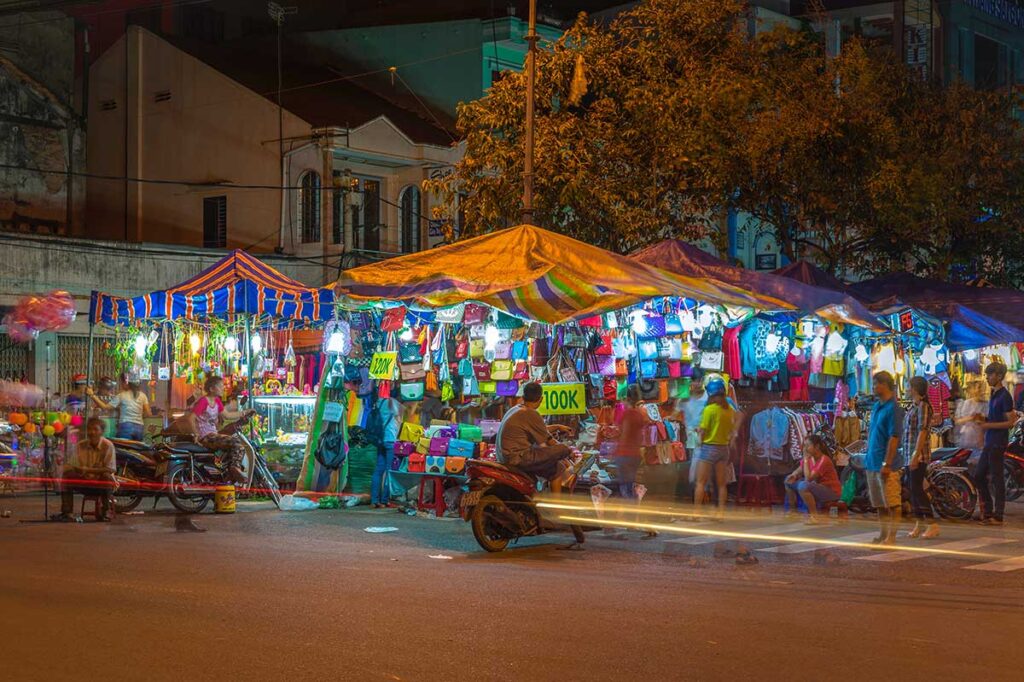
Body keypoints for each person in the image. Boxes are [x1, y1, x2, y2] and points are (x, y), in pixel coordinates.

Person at [495, 382, 574, 491]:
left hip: (505, 457)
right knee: (563, 449)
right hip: (518, 458)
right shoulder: (530, 413)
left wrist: (557, 427)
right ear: (541, 399)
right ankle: (557, 501)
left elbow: (538, 428)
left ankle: (553, 498)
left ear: (523, 397)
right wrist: (569, 452)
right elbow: (549, 441)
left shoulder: (515, 409)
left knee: (557, 468)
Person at [972, 362, 1015, 526]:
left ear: (999, 376)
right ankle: (988, 511)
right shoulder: (994, 394)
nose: (987, 377)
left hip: (998, 442)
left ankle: (998, 515)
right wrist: (983, 420)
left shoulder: (1005, 396)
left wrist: (988, 425)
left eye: (990, 374)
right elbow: (995, 418)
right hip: (990, 442)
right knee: (979, 475)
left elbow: (1010, 422)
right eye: (987, 374)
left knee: (997, 478)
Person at [185, 376, 249, 484]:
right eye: (220, 386)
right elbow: (191, 418)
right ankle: (235, 468)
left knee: (230, 450)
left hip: (213, 435)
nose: (223, 388)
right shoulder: (204, 401)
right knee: (237, 443)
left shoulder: (217, 401)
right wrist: (196, 434)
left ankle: (227, 476)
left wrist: (244, 413)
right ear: (211, 389)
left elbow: (227, 415)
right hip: (206, 436)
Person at [865, 371, 904, 546]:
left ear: (884, 385)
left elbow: (894, 437)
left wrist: (887, 463)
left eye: (875, 384)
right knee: (879, 503)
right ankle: (883, 534)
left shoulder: (893, 408)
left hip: (887, 464)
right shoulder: (876, 407)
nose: (873, 387)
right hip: (872, 462)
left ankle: (892, 537)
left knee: (892, 502)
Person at [55, 417, 116, 522]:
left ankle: (106, 511)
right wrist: (63, 468)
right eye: (90, 429)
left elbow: (110, 469)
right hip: (84, 481)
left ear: (102, 431)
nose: (92, 432)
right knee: (67, 475)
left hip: (100, 484)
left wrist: (87, 470)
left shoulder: (108, 445)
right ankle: (67, 512)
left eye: (95, 429)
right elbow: (73, 464)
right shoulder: (80, 445)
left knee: (107, 477)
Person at [693, 377, 736, 519]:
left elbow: (703, 430)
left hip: (709, 448)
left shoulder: (709, 410)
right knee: (722, 484)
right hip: (723, 449)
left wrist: (698, 434)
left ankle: (696, 513)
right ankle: (721, 513)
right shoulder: (729, 410)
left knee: (700, 482)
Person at [905, 376, 939, 539]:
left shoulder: (923, 407)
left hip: (918, 455)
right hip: (909, 454)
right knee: (912, 488)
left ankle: (932, 524)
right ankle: (919, 523)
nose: (906, 389)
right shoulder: (914, 407)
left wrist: (915, 455)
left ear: (914, 389)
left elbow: (923, 431)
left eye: (908, 386)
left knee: (917, 489)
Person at [784, 434, 841, 524]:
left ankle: (814, 516)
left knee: (803, 486)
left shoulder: (824, 460)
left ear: (817, 447)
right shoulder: (810, 458)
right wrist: (794, 475)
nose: (805, 449)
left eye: (808, 446)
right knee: (788, 481)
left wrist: (806, 460)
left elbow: (808, 478)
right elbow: (799, 470)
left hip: (831, 491)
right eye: (804, 446)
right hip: (817, 487)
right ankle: (793, 511)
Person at [613, 386, 652, 500]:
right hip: (635, 454)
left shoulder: (627, 414)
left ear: (627, 399)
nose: (621, 403)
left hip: (624, 454)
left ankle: (630, 507)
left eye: (622, 400)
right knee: (630, 485)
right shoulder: (639, 414)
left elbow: (624, 434)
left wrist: (616, 451)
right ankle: (633, 507)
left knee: (624, 487)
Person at [86, 378, 151, 441]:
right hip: (139, 427)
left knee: (123, 447)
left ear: (127, 384)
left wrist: (92, 395)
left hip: (125, 425)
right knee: (137, 448)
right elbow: (148, 413)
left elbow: (105, 407)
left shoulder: (122, 395)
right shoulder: (143, 395)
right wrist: (137, 417)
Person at [371, 393, 401, 509]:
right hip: (390, 439)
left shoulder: (377, 402)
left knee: (378, 470)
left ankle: (374, 500)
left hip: (380, 440)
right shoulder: (391, 402)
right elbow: (399, 418)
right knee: (390, 471)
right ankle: (384, 500)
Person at [954, 380, 988, 449]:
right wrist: (971, 418)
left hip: (981, 437)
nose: (982, 390)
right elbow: (958, 421)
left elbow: (987, 420)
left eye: (983, 388)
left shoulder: (986, 404)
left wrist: (983, 419)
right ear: (972, 390)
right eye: (979, 388)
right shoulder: (966, 403)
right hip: (967, 437)